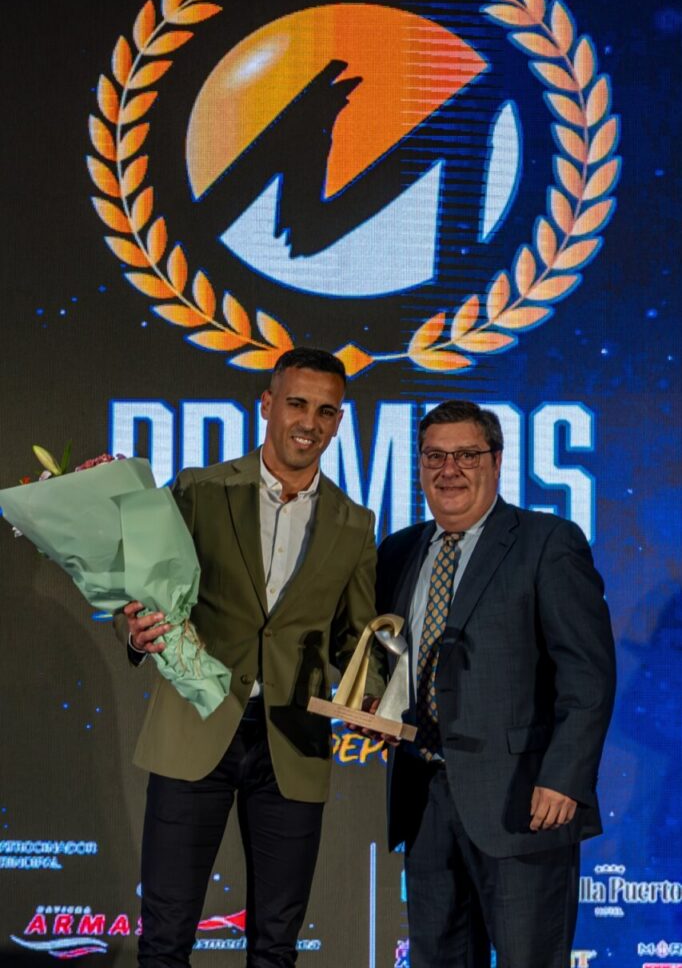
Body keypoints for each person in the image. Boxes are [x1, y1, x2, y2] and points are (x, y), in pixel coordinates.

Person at [119, 347, 383, 968]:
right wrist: (134, 633)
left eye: (326, 411)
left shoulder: (354, 522)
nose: (309, 423)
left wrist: (375, 692)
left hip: (292, 744)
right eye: (296, 403)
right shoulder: (198, 490)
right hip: (195, 729)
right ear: (266, 405)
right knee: (164, 939)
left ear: (339, 422)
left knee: (276, 946)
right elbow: (144, 594)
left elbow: (358, 636)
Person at [376, 399, 616, 968]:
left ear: (496, 460)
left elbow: (588, 674)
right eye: (435, 456)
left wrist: (565, 779)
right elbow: (388, 657)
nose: (449, 469)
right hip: (426, 799)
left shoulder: (547, 541)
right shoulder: (399, 551)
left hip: (525, 803)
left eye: (466, 455)